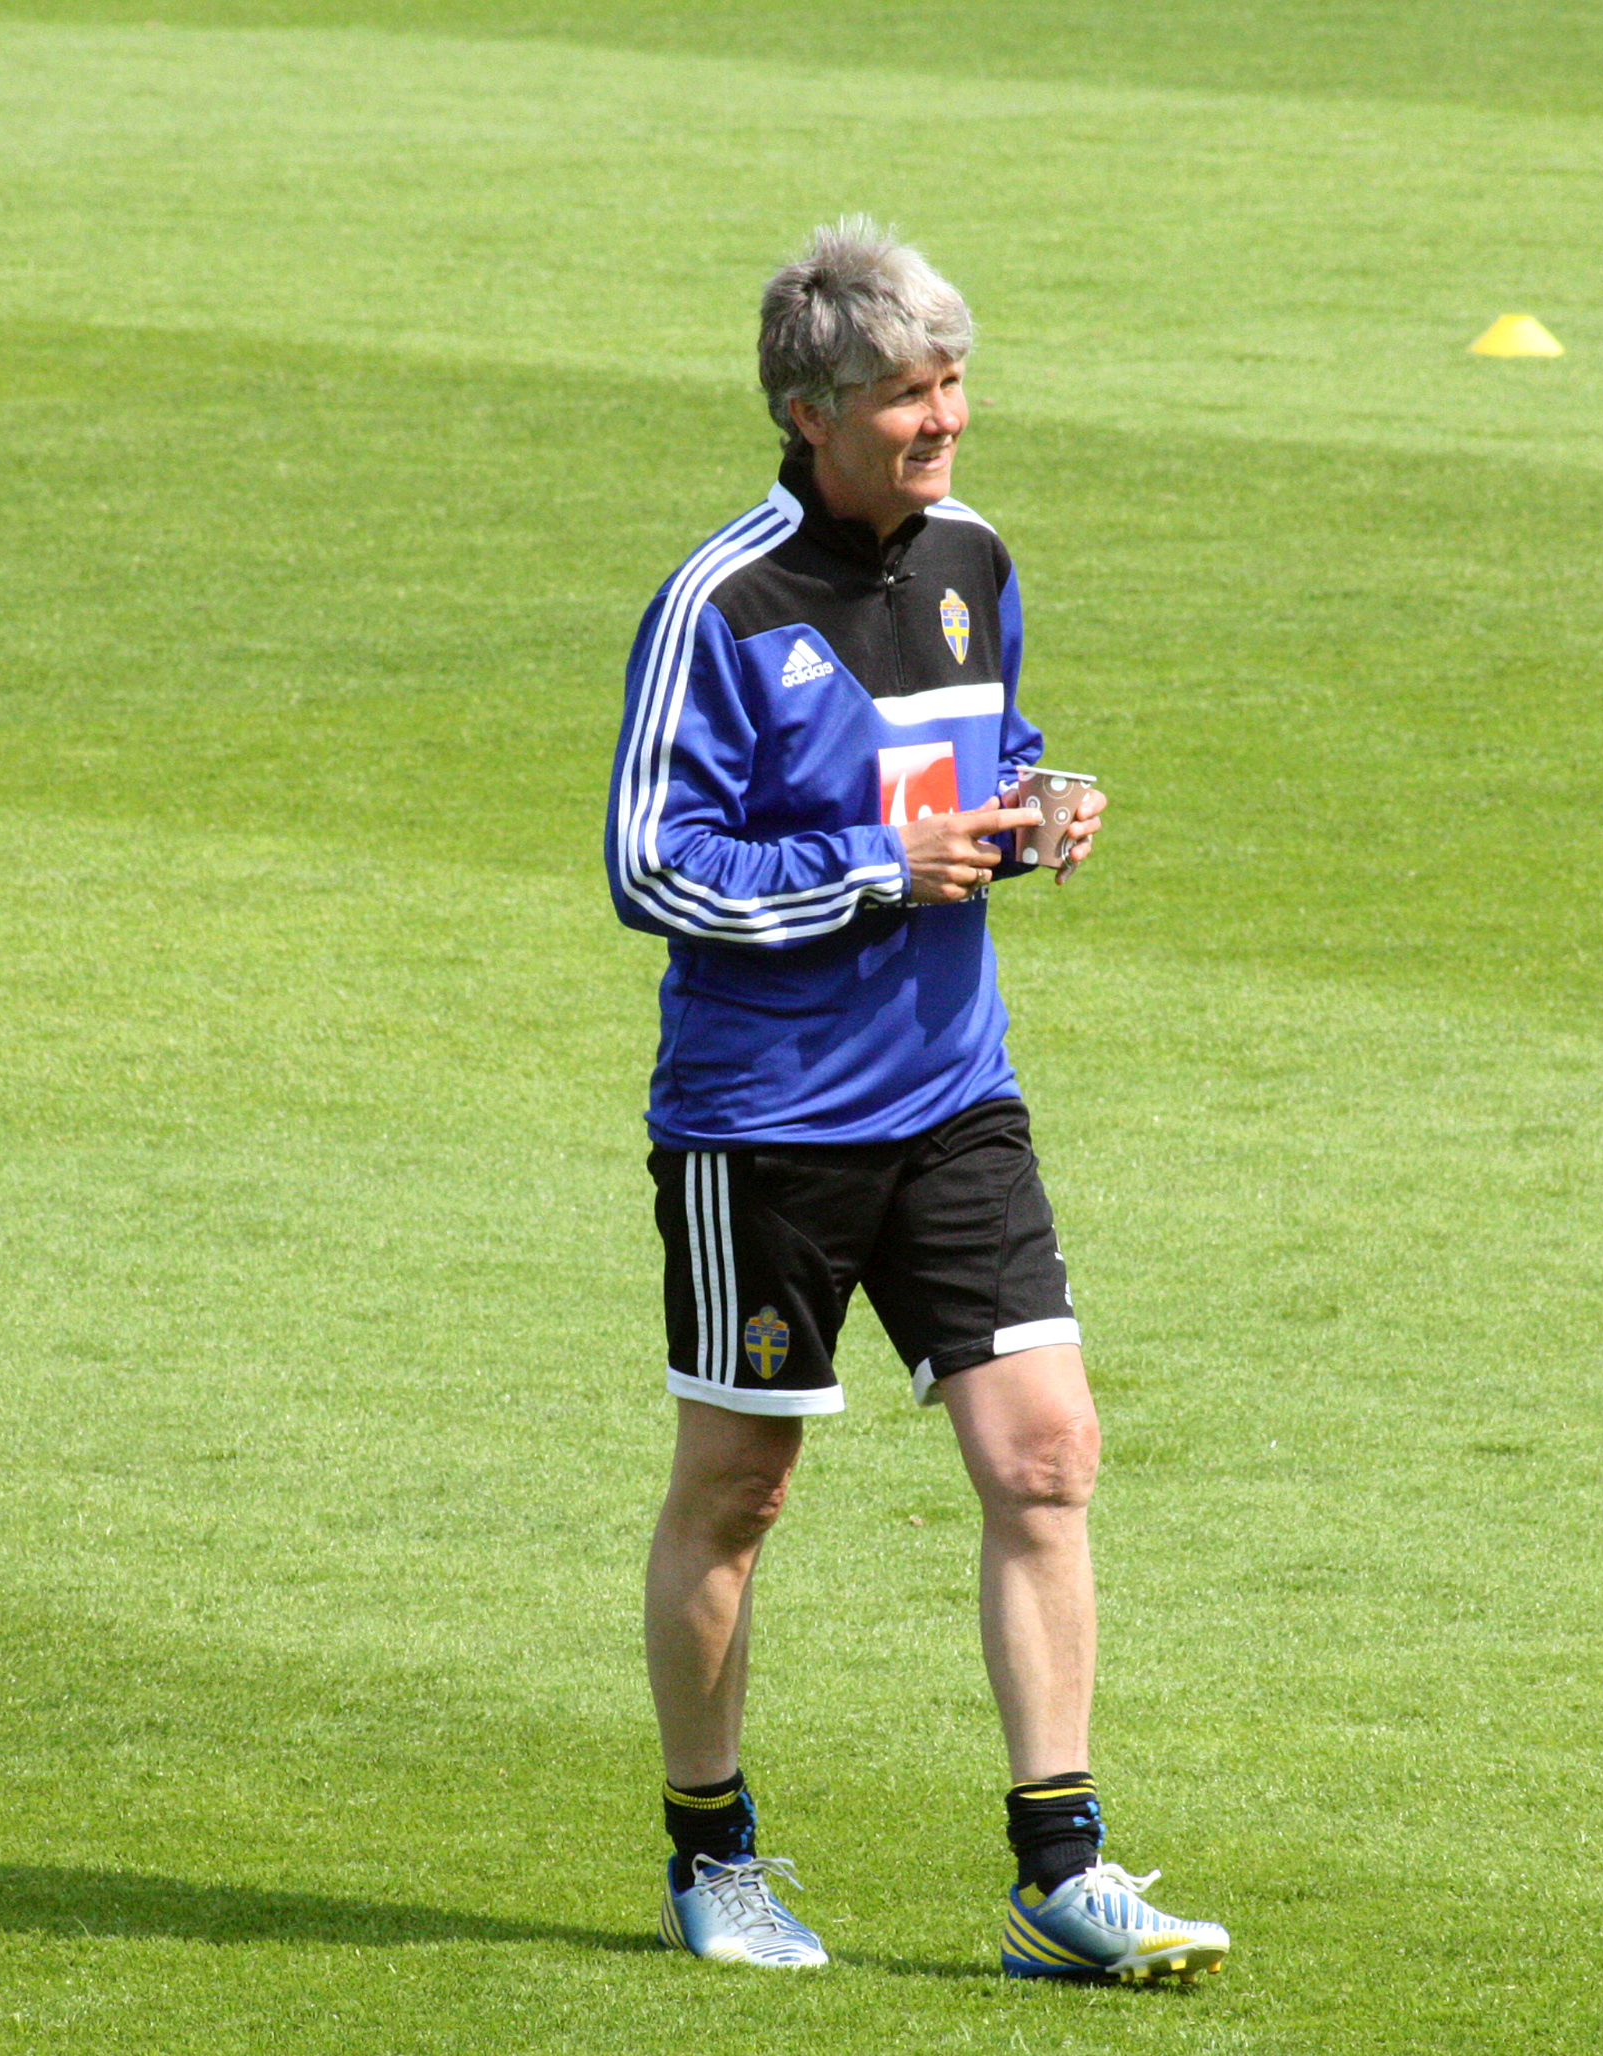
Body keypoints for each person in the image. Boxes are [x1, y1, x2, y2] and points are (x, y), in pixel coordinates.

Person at [605, 218, 1231, 1982]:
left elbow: (974, 762)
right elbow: (652, 863)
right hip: (766, 1121)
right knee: (739, 1491)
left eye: (954, 382)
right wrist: (881, 869)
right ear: (810, 414)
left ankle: (1062, 1875)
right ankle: (713, 1856)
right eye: (905, 394)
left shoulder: (974, 557)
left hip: (956, 1093)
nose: (944, 417)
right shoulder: (721, 605)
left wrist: (1035, 803)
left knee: (1046, 1455)